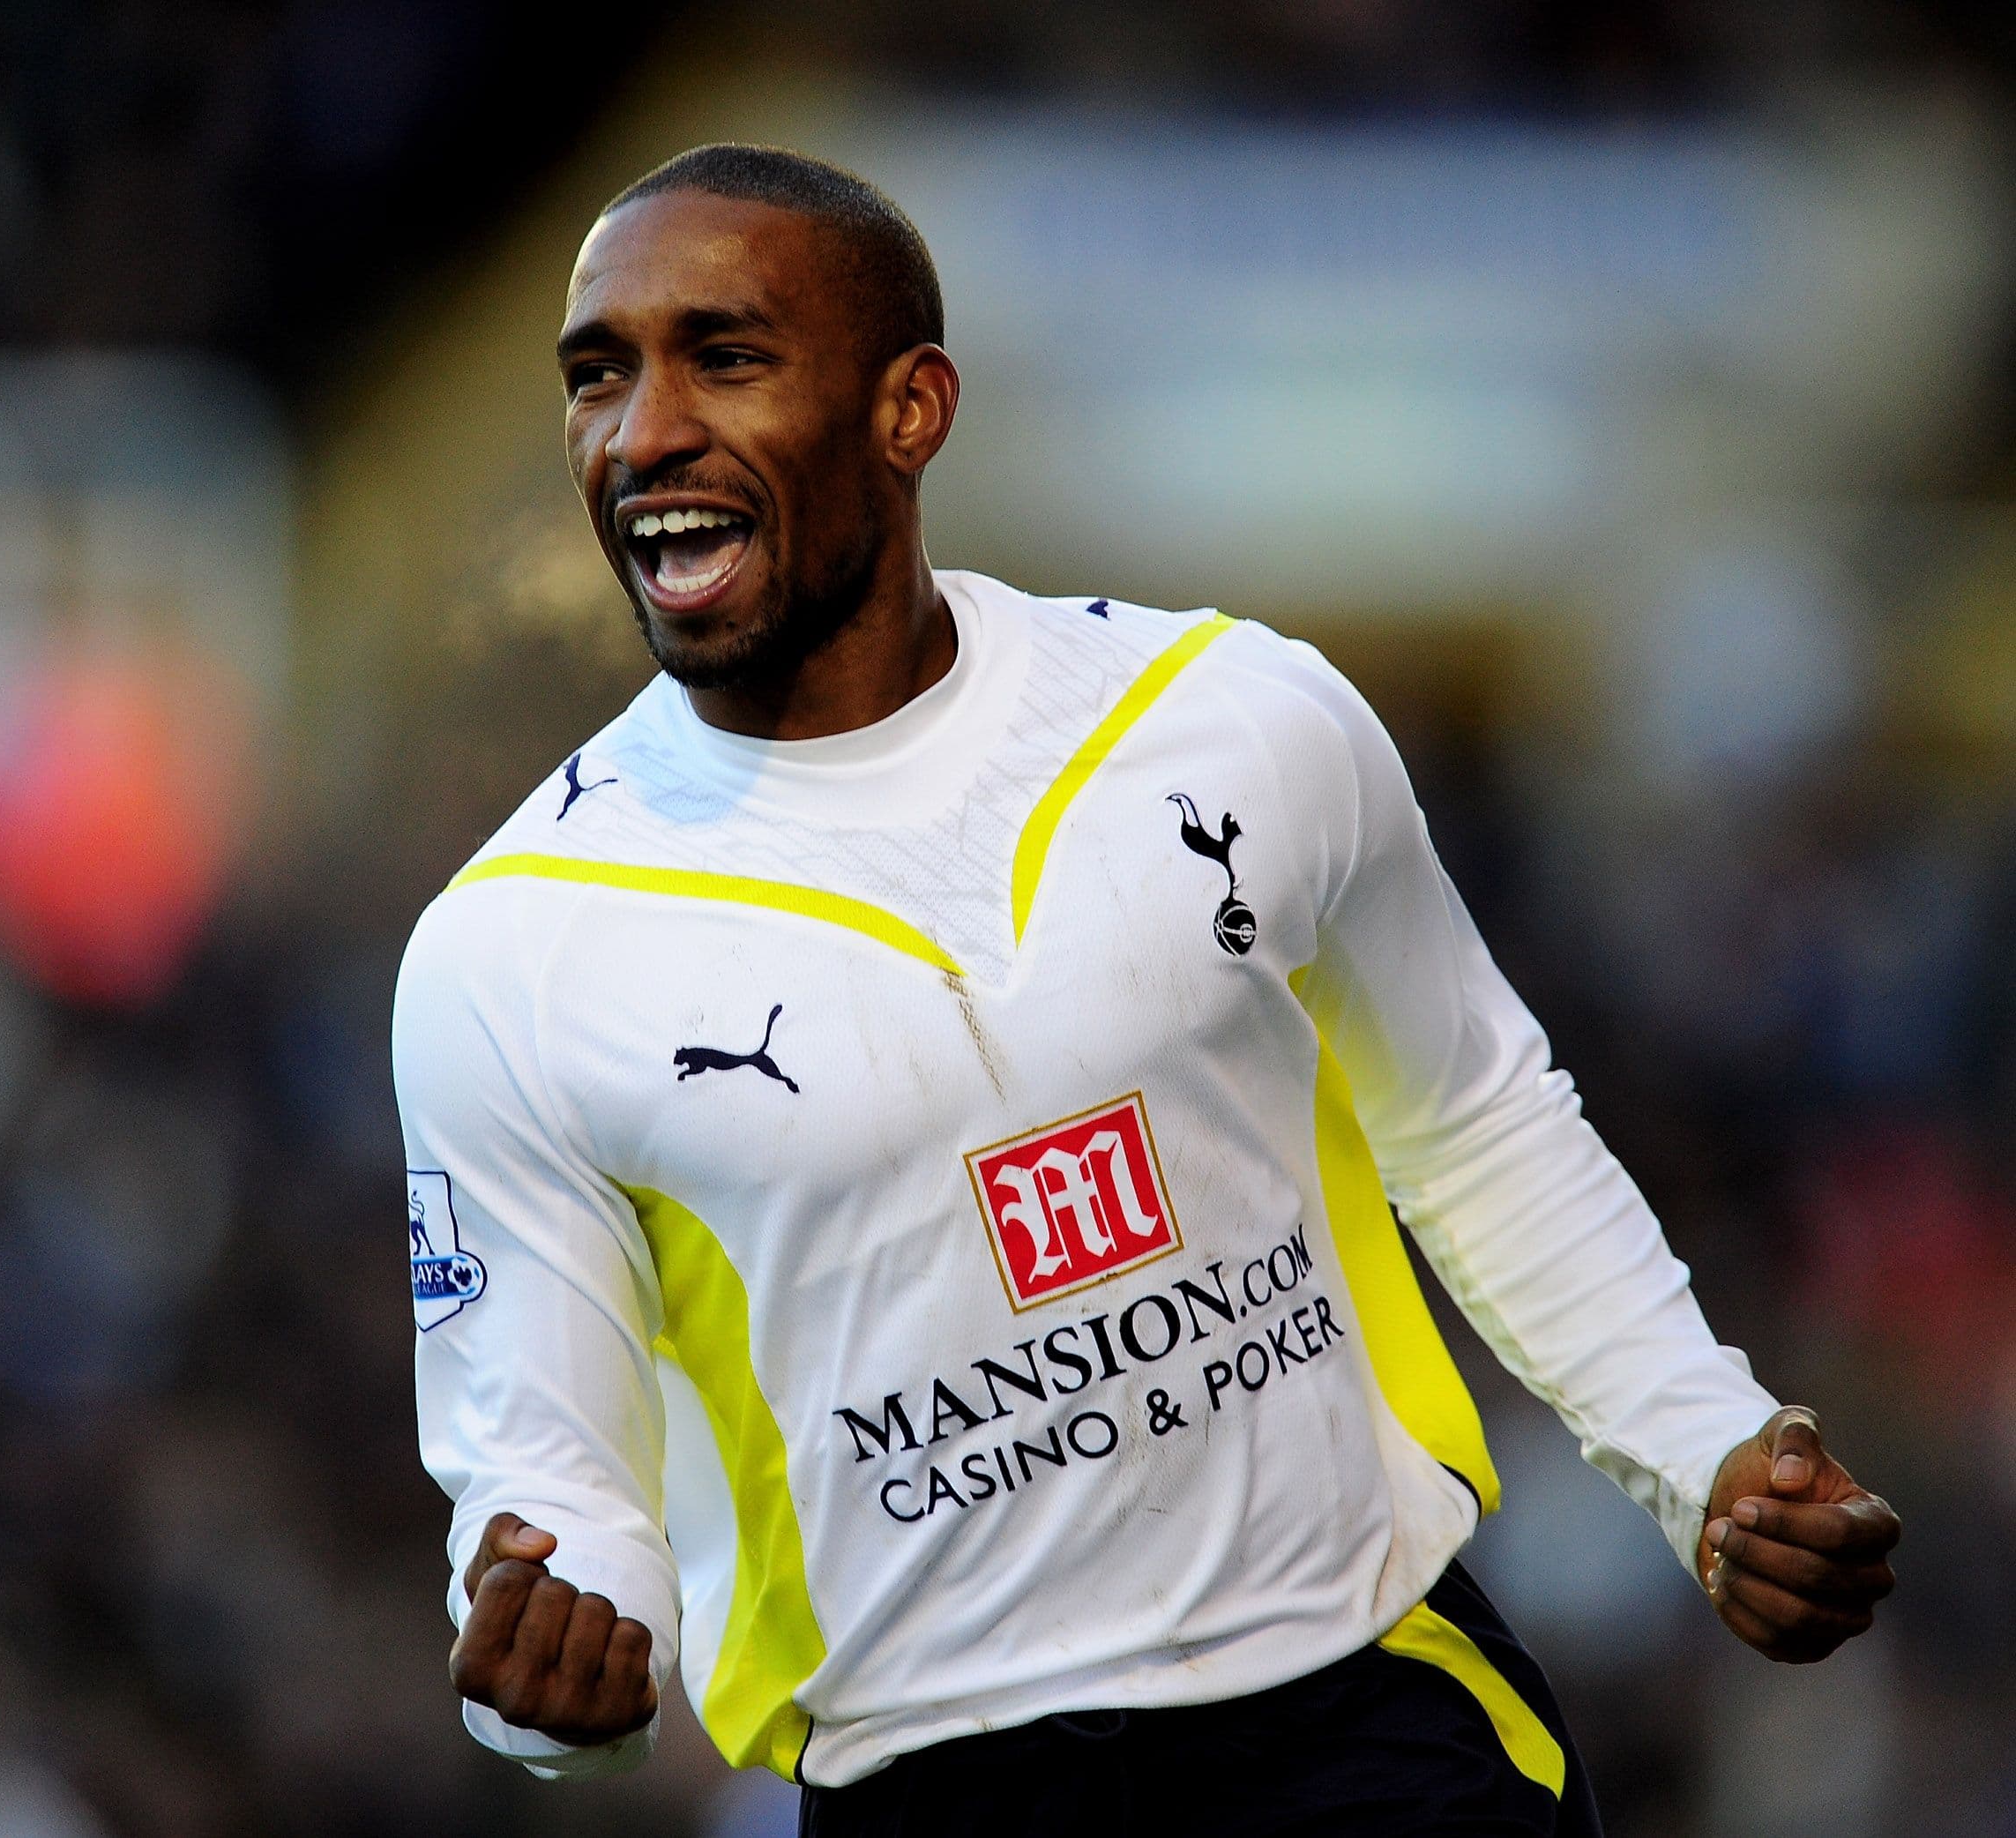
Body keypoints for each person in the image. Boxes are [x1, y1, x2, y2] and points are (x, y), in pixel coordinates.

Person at [390, 143, 1900, 1834]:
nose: (642, 430)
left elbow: (1476, 1117)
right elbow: (548, 1493)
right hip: (936, 1788)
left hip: (1371, 1728)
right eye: (600, 375)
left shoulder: (1235, 717)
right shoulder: (507, 953)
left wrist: (1702, 1449)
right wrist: (562, 1689)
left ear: (912, 409)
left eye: (724, 358)